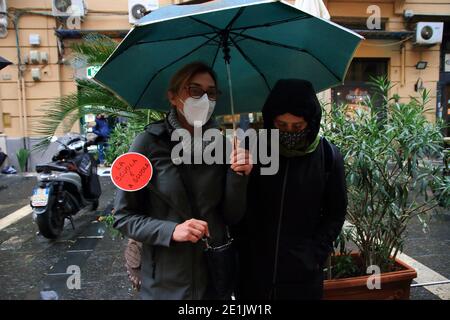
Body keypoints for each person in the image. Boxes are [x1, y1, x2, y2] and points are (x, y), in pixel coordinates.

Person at [113, 61, 252, 300]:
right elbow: (124, 217)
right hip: (166, 284)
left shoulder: (223, 146)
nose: (204, 99)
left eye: (211, 92)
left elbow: (231, 216)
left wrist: (238, 176)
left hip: (213, 278)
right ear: (173, 96)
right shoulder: (146, 143)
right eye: (195, 90)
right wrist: (171, 230)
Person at [235, 79, 347, 300]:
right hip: (253, 275)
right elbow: (234, 209)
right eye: (281, 125)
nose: (289, 132)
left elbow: (336, 212)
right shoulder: (252, 150)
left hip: (302, 278)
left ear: (311, 122)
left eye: (298, 127)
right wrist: (235, 176)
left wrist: (314, 254)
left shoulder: (328, 156)